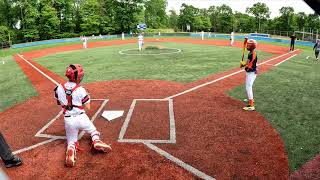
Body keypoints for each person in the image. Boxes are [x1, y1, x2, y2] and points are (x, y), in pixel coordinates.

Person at [54, 64, 111, 167]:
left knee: (71, 141)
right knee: (93, 131)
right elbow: (87, 107)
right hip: (82, 118)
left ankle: (71, 149)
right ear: (77, 77)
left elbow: (59, 102)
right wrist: (88, 96)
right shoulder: (80, 89)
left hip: (69, 120)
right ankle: (96, 141)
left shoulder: (58, 88)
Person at [240, 39, 258, 111]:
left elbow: (249, 64)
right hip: (251, 72)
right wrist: (244, 64)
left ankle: (251, 105)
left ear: (252, 46)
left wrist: (243, 64)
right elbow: (248, 62)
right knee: (247, 87)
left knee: (248, 88)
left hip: (251, 73)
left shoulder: (252, 54)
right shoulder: (251, 53)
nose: (247, 46)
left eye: (249, 45)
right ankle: (251, 100)